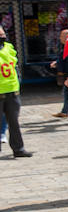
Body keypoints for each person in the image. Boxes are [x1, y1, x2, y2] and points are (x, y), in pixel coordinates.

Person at [0, 24, 32, 158]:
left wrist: (17, 82)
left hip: (12, 92)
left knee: (14, 122)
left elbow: (14, 65)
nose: (2, 35)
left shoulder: (9, 47)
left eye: (2, 32)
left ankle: (18, 149)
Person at [49, 28, 68, 118]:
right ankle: (66, 112)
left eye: (62, 36)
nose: (60, 38)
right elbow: (64, 59)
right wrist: (57, 63)